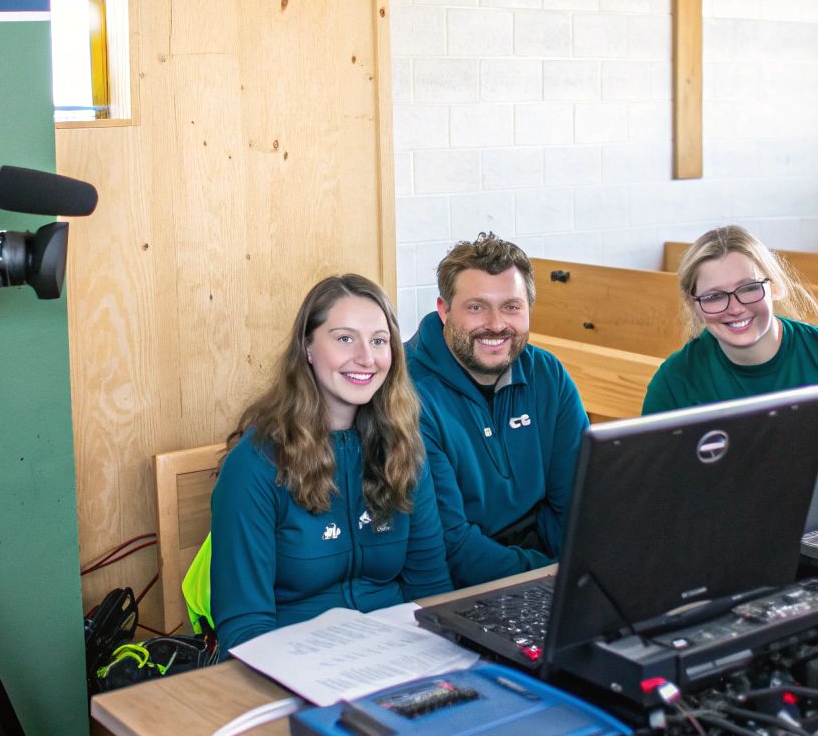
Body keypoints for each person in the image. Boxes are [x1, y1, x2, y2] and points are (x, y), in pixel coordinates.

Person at [208, 274, 451, 650]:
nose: (366, 358)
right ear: (307, 346)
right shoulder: (254, 465)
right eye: (344, 338)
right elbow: (244, 628)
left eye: (379, 341)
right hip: (295, 665)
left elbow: (431, 590)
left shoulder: (405, 447)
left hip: (397, 658)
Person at [406, 233, 588, 588]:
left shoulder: (547, 375)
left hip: (548, 574)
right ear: (444, 311)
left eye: (511, 306)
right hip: (466, 584)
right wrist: (552, 574)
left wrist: (577, 574)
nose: (495, 323)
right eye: (476, 307)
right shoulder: (407, 393)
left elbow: (579, 504)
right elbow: (451, 543)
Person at [642, 225, 818, 415]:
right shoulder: (674, 380)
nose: (735, 308)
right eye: (714, 296)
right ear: (693, 304)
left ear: (774, 286)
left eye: (749, 288)